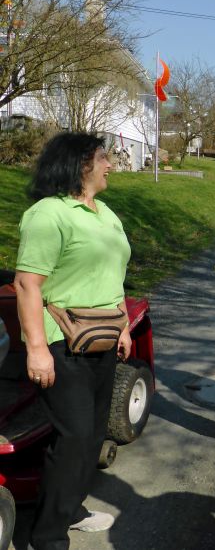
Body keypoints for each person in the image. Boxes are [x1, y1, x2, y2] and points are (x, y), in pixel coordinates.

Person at [15, 133, 132, 549]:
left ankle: (73, 508)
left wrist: (123, 326)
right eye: (104, 158)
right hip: (60, 343)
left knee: (94, 433)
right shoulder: (49, 214)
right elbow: (28, 284)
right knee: (76, 437)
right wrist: (35, 349)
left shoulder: (105, 214)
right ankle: (47, 537)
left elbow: (113, 276)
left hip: (102, 338)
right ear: (80, 164)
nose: (111, 165)